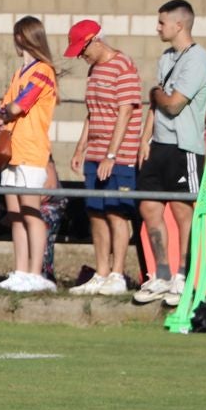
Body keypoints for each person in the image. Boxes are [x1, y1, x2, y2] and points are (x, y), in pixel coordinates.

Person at [132, 0, 206, 307]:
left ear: (179, 25)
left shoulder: (197, 59)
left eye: (162, 22)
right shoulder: (166, 57)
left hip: (184, 148)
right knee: (149, 208)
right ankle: (162, 275)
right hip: (160, 147)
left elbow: (174, 103)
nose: (158, 27)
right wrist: (145, 138)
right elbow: (157, 103)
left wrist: (156, 95)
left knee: (183, 212)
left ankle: (184, 276)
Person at [64, 19, 143, 295]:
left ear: (95, 40)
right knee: (95, 212)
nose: (80, 56)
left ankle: (118, 274)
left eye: (82, 49)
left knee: (116, 212)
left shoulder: (124, 66)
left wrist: (112, 154)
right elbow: (92, 113)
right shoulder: (94, 71)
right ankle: (101, 272)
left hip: (118, 157)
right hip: (95, 156)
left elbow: (125, 111)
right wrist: (80, 148)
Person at [0, 16, 59, 292]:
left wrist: (6, 112)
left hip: (31, 150)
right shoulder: (21, 72)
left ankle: (35, 272)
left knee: (31, 212)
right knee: (15, 213)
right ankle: (21, 270)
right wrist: (4, 112)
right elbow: (4, 106)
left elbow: (18, 106)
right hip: (12, 151)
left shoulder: (43, 70)